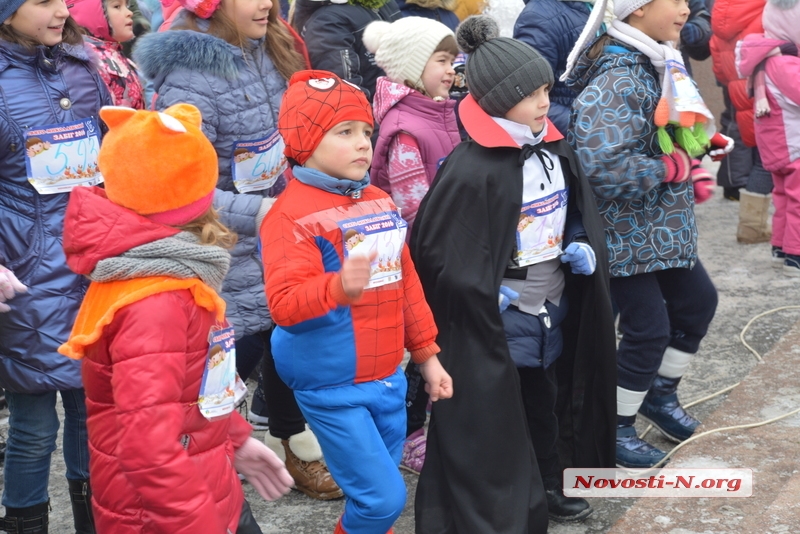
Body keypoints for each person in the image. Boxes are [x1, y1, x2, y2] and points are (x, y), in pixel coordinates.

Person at [411, 15, 617, 531]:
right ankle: (510, 497)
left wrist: (578, 244)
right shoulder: (470, 165)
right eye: (530, 93)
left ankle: (548, 484)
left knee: (545, 401)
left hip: (553, 302)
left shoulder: (552, 148)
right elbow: (438, 250)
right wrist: (483, 286)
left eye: (546, 88)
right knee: (501, 413)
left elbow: (575, 211)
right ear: (499, 101)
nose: (544, 101)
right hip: (500, 316)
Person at [133, 0, 343, 500]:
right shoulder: (190, 73)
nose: (268, 3)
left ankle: (292, 444)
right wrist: (262, 214)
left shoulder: (273, 47)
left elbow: (286, 140)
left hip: (279, 231)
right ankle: (197, 457)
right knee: (226, 359)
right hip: (225, 242)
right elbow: (176, 185)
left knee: (288, 333)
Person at [58, 103, 294, 534]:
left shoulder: (156, 269)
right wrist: (195, 521)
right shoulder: (157, 300)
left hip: (197, 474)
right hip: (164, 513)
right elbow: (148, 446)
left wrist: (233, 435)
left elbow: (179, 393)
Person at [263, 69, 453, 534]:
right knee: (382, 500)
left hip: (387, 378)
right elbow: (283, 306)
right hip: (332, 388)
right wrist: (337, 288)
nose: (363, 143)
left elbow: (406, 285)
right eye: (344, 133)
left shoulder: (380, 202)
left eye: (366, 131)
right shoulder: (290, 216)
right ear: (305, 142)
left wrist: (428, 358)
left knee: (380, 491)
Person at [564, 0, 724, 468]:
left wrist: (698, 145)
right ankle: (615, 425)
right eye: (673, 1)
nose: (686, 8)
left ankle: (659, 394)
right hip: (625, 234)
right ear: (636, 11)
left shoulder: (658, 59)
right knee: (647, 329)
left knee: (699, 304)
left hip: (661, 227)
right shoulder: (618, 77)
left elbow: (666, 129)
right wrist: (671, 166)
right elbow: (599, 167)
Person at [0, 0, 113, 530]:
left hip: (93, 263)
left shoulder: (83, 66)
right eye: (41, 1)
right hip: (25, 273)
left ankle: (96, 520)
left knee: (93, 409)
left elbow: (115, 154)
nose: (60, 9)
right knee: (32, 423)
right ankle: (25, 523)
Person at [362, 16, 461, 476]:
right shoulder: (405, 127)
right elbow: (416, 211)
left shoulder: (440, 109)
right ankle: (410, 431)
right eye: (441, 60)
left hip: (449, 250)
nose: (451, 68)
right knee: (426, 348)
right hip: (426, 258)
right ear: (413, 66)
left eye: (452, 59)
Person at [736, 0, 800, 276]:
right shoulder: (785, 63)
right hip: (793, 143)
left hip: (774, 145)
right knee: (797, 200)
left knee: (784, 198)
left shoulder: (764, 59)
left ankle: (780, 248)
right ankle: (796, 255)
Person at [710, 0, 774, 242]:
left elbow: (717, 65)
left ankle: (751, 226)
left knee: (762, 158)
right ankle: (754, 229)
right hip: (767, 90)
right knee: (771, 161)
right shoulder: (766, 9)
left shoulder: (722, 11)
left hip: (738, 90)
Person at [289, 0, 401, 101]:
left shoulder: (384, 3)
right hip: (380, 118)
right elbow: (347, 93)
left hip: (405, 108)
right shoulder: (326, 22)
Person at [69, 0, 146, 108]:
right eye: (117, 6)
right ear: (91, 13)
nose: (130, 12)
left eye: (126, 6)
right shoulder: (89, 61)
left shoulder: (112, 52)